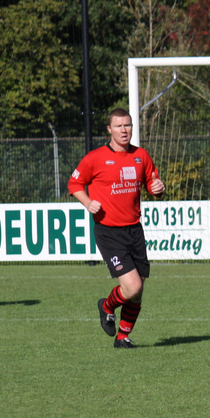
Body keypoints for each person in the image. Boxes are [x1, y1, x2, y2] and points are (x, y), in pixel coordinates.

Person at [68, 108, 165, 348]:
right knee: (132, 287)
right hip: (109, 231)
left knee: (138, 291)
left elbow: (152, 184)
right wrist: (88, 202)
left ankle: (122, 338)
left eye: (128, 125)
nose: (124, 130)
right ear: (109, 129)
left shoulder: (141, 156)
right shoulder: (95, 158)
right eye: (119, 126)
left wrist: (158, 189)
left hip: (135, 230)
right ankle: (106, 306)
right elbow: (74, 183)